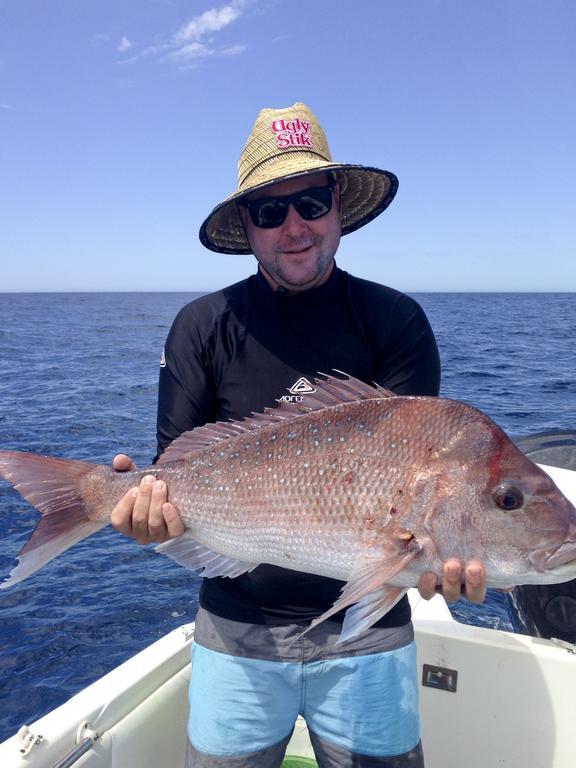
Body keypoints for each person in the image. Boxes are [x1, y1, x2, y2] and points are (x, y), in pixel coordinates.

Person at [111, 103, 487, 768]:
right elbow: (172, 477)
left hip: (370, 633)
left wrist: (449, 556)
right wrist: (143, 513)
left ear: (337, 207)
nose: (294, 227)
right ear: (246, 227)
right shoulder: (201, 327)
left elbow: (423, 484)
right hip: (235, 626)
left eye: (310, 202)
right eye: (268, 211)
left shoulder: (396, 323)